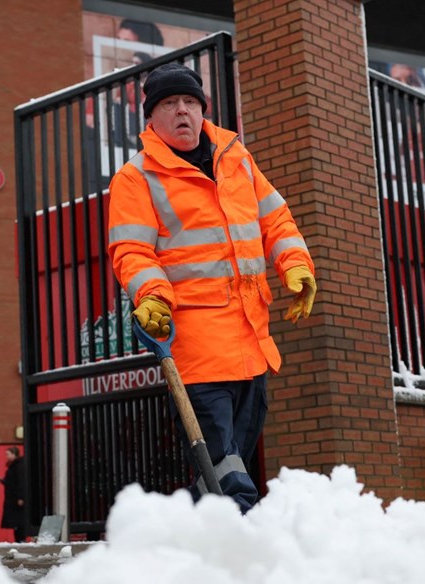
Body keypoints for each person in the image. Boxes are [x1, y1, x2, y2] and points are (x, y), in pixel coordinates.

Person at [106, 63, 316, 513]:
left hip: (252, 346)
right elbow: (133, 251)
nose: (182, 112)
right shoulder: (136, 177)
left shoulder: (237, 160)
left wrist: (295, 265)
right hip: (197, 352)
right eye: (169, 104)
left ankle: (202, 548)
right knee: (225, 469)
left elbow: (275, 220)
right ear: (151, 117)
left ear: (203, 109)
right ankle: (239, 536)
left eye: (190, 103)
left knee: (229, 460)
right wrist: (152, 298)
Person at [0, 446, 29, 542]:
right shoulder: (14, 466)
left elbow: (21, 482)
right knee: (16, 522)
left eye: (8, 454)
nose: (6, 456)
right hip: (13, 498)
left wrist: (21, 497)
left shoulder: (18, 466)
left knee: (19, 521)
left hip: (16, 498)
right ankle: (19, 539)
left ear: (14, 454)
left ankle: (21, 539)